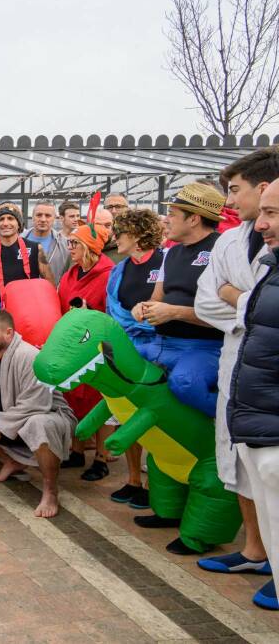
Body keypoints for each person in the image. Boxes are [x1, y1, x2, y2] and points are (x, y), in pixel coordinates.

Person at [194, 150, 278, 583]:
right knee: (239, 456)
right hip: (237, 357)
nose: (229, 201)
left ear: (265, 187)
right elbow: (205, 299)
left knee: (272, 465)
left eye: (234, 189)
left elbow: (263, 306)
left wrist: (239, 298)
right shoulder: (229, 241)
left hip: (269, 366)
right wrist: (249, 306)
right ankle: (254, 549)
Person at [0, 310, 76, 517]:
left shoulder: (29, 356)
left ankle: (50, 491)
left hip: (49, 415)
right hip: (5, 423)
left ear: (9, 333)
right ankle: (11, 461)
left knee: (37, 424)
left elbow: (36, 404)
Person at [226, 176, 279, 609]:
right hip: (257, 426)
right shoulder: (272, 267)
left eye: (272, 213)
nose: (262, 225)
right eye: (262, 211)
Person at [133, 183, 225, 418]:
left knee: (185, 382)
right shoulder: (171, 253)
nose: (165, 220)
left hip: (206, 348)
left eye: (172, 214)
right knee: (115, 365)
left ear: (193, 219)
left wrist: (173, 312)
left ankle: (228, 421)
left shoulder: (223, 249)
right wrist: (142, 308)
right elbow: (156, 299)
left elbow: (229, 313)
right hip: (162, 342)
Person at [104, 208, 165, 509]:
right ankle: (132, 479)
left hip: (157, 348)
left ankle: (158, 481)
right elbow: (112, 309)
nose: (115, 238)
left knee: (154, 417)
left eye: (121, 232)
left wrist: (144, 322)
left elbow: (165, 307)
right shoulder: (120, 268)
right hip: (127, 349)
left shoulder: (165, 262)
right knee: (126, 413)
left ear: (139, 235)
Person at [56, 223, 114, 480]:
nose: (70, 248)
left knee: (99, 399)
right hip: (74, 347)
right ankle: (77, 450)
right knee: (74, 397)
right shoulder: (71, 273)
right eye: (69, 243)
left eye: (74, 243)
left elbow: (113, 312)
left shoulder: (109, 274)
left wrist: (89, 310)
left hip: (98, 347)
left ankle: (101, 457)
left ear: (89, 247)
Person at [0, 203, 53, 309]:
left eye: (10, 218)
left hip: (29, 310)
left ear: (19, 224)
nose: (5, 223)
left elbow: (50, 285)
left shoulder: (35, 249)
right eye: (1, 219)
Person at [23, 201, 70, 284]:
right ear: (32, 217)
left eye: (48, 216)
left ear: (54, 218)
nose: (43, 219)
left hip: (52, 294)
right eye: (39, 215)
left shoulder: (65, 244)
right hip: (24, 293)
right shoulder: (20, 240)